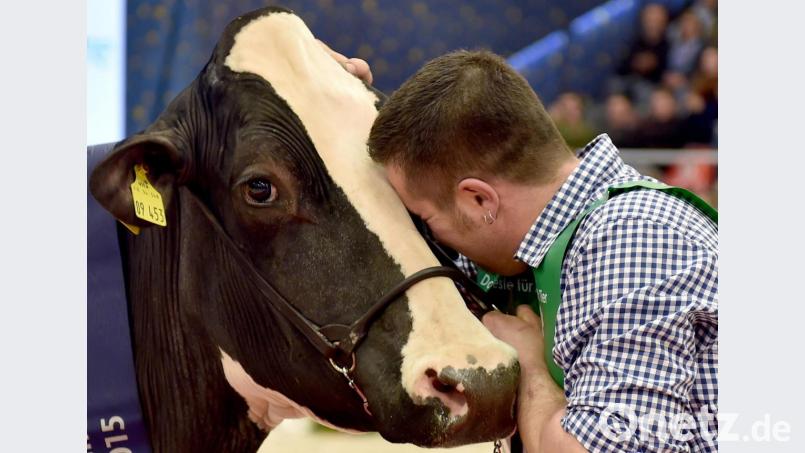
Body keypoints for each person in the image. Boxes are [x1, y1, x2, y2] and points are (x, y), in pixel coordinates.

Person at [328, 46, 717, 452]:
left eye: (425, 219)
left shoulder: (635, 240)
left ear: (479, 201)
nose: (430, 237)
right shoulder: (531, 241)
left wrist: (529, 364)